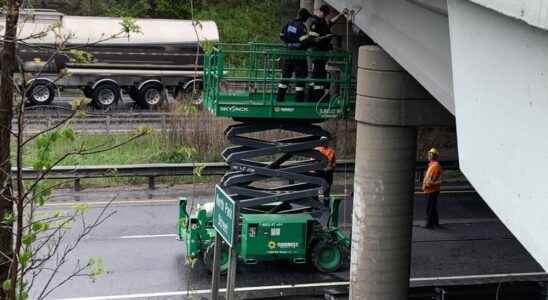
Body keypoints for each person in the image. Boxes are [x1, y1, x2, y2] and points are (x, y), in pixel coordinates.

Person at [307, 5, 347, 102]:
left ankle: (321, 97)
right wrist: (326, 37)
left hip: (323, 53)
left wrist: (341, 14)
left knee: (322, 74)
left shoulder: (323, 21)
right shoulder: (315, 23)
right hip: (317, 53)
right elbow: (313, 40)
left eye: (326, 15)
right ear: (320, 12)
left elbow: (331, 22)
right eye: (324, 14)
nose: (325, 16)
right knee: (317, 75)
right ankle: (314, 98)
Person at [277, 8, 313, 102]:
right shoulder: (302, 27)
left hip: (288, 55)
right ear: (303, 17)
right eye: (306, 18)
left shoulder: (288, 23)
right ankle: (299, 101)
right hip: (299, 57)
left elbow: (281, 35)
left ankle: (279, 99)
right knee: (300, 79)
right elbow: (304, 41)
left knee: (285, 78)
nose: (306, 20)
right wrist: (312, 41)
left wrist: (289, 43)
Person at [422, 148, 443, 229]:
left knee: (429, 209)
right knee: (432, 208)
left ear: (435, 156)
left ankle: (429, 225)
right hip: (431, 190)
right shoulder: (432, 165)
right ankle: (436, 223)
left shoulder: (435, 166)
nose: (429, 156)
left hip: (431, 190)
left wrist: (427, 185)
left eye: (430, 155)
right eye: (429, 154)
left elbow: (431, 179)